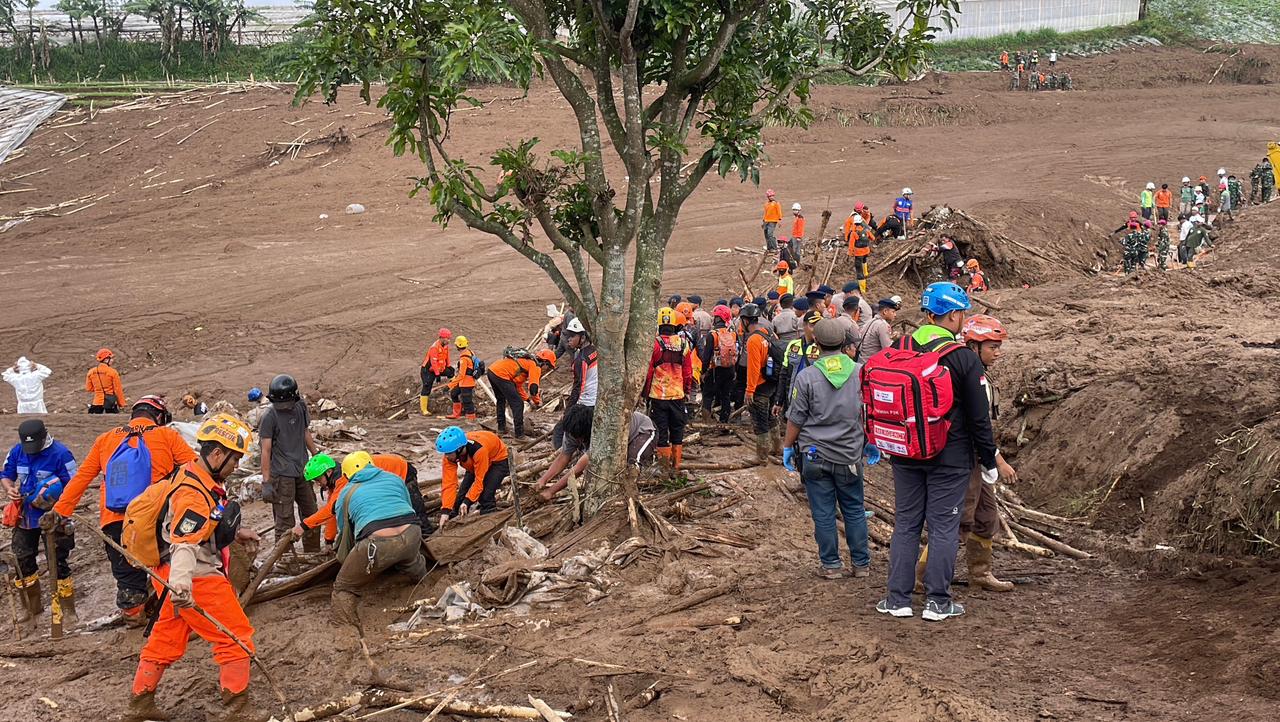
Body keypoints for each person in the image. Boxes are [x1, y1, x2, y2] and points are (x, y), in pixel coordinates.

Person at [125, 413, 261, 722]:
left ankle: (140, 703)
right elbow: (185, 541)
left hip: (165, 574)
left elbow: (202, 522)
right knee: (236, 637)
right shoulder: (193, 493)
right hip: (192, 577)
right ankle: (237, 709)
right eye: (234, 459)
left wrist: (237, 533)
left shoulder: (192, 475)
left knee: (165, 638)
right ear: (216, 454)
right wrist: (183, 586)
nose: (236, 466)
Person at [877, 282, 998, 622]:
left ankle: (897, 599)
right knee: (944, 527)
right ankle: (938, 603)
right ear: (955, 315)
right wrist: (988, 461)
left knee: (906, 524)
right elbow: (979, 420)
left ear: (928, 314)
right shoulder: (962, 359)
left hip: (904, 451)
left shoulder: (900, 346)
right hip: (951, 456)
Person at [44, 396, 194, 625]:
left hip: (114, 519)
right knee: (164, 563)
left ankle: (134, 615)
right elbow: (195, 469)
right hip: (155, 516)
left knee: (127, 575)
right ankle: (171, 614)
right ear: (160, 416)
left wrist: (60, 510)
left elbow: (82, 478)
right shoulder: (167, 435)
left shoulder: (106, 439)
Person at [782, 318, 871, 579]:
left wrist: (788, 447)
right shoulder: (860, 372)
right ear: (845, 343)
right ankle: (861, 564)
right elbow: (868, 412)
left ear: (816, 343)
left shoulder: (807, 376)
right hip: (849, 455)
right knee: (854, 509)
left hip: (814, 455)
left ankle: (831, 565)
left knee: (823, 512)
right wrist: (871, 441)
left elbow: (796, 418)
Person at [322, 451, 426, 638]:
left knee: (344, 587)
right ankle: (425, 585)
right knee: (412, 563)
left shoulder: (346, 493)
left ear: (346, 474)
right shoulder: (394, 478)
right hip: (412, 533)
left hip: (376, 544)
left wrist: (347, 560)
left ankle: (344, 629)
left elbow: (344, 532)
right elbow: (407, 507)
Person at [955, 315, 1019, 592]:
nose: (998, 352)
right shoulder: (969, 377)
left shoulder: (979, 374)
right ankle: (923, 577)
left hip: (978, 457)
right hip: (964, 458)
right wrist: (998, 460)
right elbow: (976, 425)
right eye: (992, 347)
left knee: (985, 517)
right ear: (973, 346)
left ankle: (980, 572)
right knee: (959, 520)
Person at [3, 419, 78, 636]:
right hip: (26, 516)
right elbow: (6, 476)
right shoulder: (17, 451)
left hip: (54, 517)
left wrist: (58, 505)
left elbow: (75, 484)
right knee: (22, 560)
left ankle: (68, 609)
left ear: (45, 437)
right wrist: (10, 490)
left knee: (58, 560)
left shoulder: (61, 454)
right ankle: (32, 609)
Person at [298, 451, 431, 544]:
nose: (318, 483)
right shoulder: (335, 479)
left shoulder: (344, 479)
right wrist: (329, 540)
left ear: (328, 472)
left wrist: (303, 526)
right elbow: (333, 510)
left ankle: (428, 538)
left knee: (415, 510)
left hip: (402, 470)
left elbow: (330, 510)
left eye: (318, 479)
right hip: (388, 472)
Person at [535, 404, 657, 500]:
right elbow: (563, 457)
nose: (576, 440)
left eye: (579, 437)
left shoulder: (602, 430)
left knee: (632, 461)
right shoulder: (572, 429)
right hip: (620, 438)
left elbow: (578, 469)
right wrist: (543, 480)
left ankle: (631, 496)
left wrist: (551, 491)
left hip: (642, 431)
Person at [258, 373, 320, 551]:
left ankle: (312, 552)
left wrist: (316, 456)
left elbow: (305, 432)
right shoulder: (269, 416)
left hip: (303, 470)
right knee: (285, 520)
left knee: (312, 513)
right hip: (282, 475)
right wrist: (266, 481)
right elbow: (266, 450)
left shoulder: (300, 407)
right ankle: (285, 559)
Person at [644, 307, 693, 471]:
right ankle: (677, 466)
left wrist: (645, 393)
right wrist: (686, 390)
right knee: (677, 430)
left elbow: (649, 372)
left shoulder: (655, 345)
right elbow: (688, 372)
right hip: (678, 395)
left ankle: (664, 468)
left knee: (661, 431)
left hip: (658, 396)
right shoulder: (683, 344)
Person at [435, 426, 510, 524]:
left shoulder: (479, 451)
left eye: (449, 453)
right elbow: (448, 483)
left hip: (497, 459)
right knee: (459, 499)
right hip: (474, 464)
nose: (446, 456)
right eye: (445, 454)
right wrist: (446, 510)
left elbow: (479, 480)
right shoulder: (450, 455)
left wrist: (467, 501)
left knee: (485, 495)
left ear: (459, 449)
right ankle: (452, 520)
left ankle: (489, 519)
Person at [487, 348, 556, 438]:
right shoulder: (535, 366)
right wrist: (537, 402)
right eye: (549, 367)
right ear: (545, 362)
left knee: (501, 400)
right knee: (518, 404)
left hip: (492, 371)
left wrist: (528, 400)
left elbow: (517, 386)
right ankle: (520, 435)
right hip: (501, 374)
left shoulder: (525, 363)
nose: (546, 370)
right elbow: (533, 388)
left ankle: (501, 428)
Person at [552, 318, 598, 449]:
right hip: (595, 400)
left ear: (583, 337)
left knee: (564, 429)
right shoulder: (594, 351)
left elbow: (578, 386)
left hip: (586, 403)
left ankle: (564, 453)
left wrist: (568, 411)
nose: (569, 339)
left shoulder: (581, 360)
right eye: (568, 336)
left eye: (573, 336)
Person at [743, 303, 780, 463]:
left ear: (745, 320)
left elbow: (753, 367)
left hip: (759, 386)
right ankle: (777, 447)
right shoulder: (767, 333)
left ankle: (761, 456)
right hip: (772, 383)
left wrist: (749, 389)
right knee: (772, 417)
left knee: (760, 421)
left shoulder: (753, 340)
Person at [774, 310, 822, 418]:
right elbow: (784, 374)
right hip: (792, 396)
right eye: (812, 325)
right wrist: (778, 401)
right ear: (804, 326)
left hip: (814, 399)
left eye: (819, 325)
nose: (816, 329)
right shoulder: (793, 345)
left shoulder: (823, 347)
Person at [699, 305, 738, 423]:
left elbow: (706, 357)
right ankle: (724, 422)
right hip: (730, 369)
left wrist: (703, 372)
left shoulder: (713, 335)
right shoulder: (732, 334)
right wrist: (734, 370)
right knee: (725, 395)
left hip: (715, 370)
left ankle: (706, 423)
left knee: (707, 395)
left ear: (717, 318)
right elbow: (736, 352)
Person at [419, 328, 453, 416]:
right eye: (447, 339)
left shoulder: (445, 346)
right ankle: (424, 410)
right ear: (442, 338)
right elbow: (433, 362)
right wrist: (437, 375)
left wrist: (449, 366)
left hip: (439, 368)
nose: (449, 340)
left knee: (451, 373)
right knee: (427, 386)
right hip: (428, 370)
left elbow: (447, 356)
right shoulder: (434, 347)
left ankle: (452, 385)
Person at [446, 335, 480, 420]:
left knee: (467, 401)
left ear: (458, 346)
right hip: (465, 382)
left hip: (466, 383)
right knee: (454, 393)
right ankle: (456, 413)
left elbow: (461, 374)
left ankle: (471, 418)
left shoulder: (464, 358)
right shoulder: (470, 352)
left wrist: (450, 385)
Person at [85, 347, 126, 414]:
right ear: (106, 359)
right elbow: (117, 389)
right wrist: (121, 404)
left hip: (97, 402)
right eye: (111, 358)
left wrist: (99, 390)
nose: (112, 360)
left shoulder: (91, 372)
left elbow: (89, 388)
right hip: (110, 403)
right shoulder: (113, 372)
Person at [845, 214, 873, 295]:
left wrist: (850, 253)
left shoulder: (854, 233)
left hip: (858, 253)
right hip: (866, 251)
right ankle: (866, 272)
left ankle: (862, 289)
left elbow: (851, 245)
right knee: (864, 260)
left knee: (859, 271)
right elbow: (873, 238)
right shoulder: (866, 231)